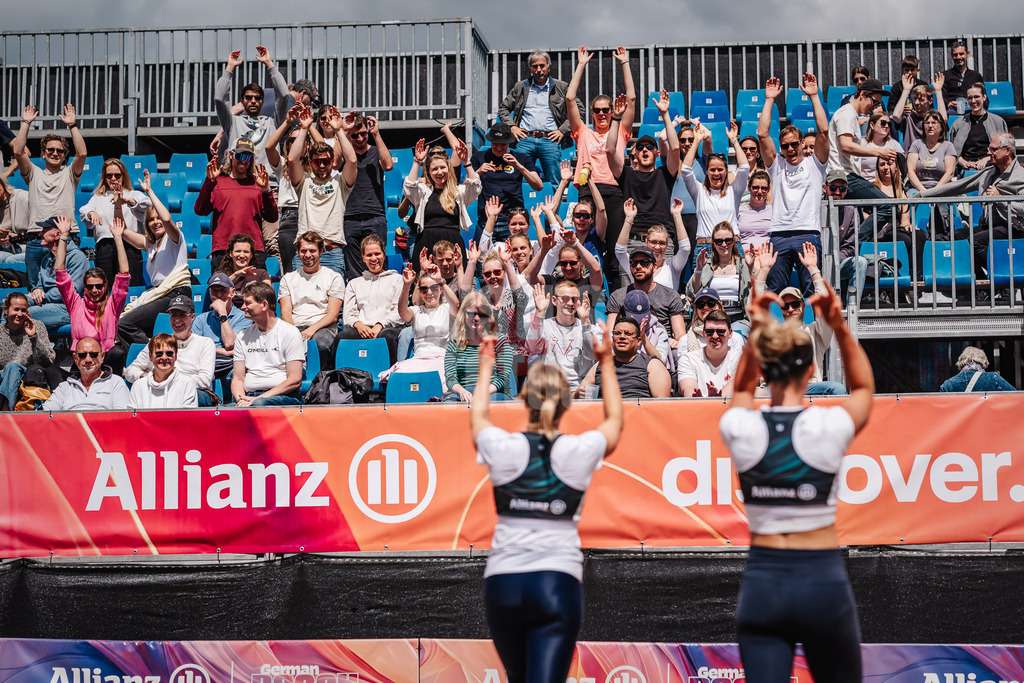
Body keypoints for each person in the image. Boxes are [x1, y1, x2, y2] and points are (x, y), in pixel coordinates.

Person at [720, 282, 874, 683]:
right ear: (811, 371)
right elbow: (863, 390)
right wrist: (838, 325)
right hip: (821, 580)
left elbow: (739, 389)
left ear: (763, 370)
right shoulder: (828, 424)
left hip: (763, 585)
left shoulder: (740, 425)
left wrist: (757, 328)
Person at [471, 319, 622, 683]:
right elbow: (615, 421)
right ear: (567, 401)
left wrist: (487, 366)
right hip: (556, 583)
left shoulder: (502, 446)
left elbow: (477, 416)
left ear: (524, 398)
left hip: (504, 582)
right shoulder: (578, 449)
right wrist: (605, 362)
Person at [565, 46, 636, 285]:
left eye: (607, 110)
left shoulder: (620, 129)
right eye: (598, 110)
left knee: (615, 250)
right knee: (585, 249)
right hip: (587, 193)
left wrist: (625, 63)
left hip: (614, 192)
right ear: (592, 113)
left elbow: (632, 99)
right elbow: (569, 98)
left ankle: (615, 298)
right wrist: (581, 65)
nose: (603, 114)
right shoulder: (583, 132)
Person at [758, 74, 829, 296]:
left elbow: (824, 132)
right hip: (779, 233)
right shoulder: (776, 165)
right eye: (785, 146)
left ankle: (813, 331)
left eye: (794, 144)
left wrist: (815, 96)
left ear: (801, 143)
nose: (790, 149)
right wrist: (770, 99)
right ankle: (772, 331)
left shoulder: (815, 164)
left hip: (807, 232)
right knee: (774, 291)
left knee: (812, 290)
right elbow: (762, 134)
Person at [919, 133, 1024, 277]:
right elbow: (959, 186)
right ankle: (983, 283)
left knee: (975, 242)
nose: (989, 153)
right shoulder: (988, 173)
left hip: (1012, 227)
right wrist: (923, 195)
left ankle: (1002, 278)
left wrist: (1000, 199)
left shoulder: (1020, 176)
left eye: (993, 149)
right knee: (955, 237)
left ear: (1007, 150)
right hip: (988, 225)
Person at [11, 104, 87, 290]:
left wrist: (72, 126)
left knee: (64, 288)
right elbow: (18, 152)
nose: (55, 153)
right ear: (43, 154)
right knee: (35, 290)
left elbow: (82, 153)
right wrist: (26, 123)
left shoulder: (70, 174)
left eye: (59, 151)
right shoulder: (33, 173)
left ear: (64, 156)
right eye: (50, 150)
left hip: (67, 237)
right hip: (37, 239)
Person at [117, 171, 192, 346]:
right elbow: (121, 230)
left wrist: (149, 191)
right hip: (160, 294)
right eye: (151, 220)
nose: (156, 222)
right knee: (124, 322)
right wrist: (118, 205)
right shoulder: (150, 244)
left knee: (126, 324)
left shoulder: (174, 238)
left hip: (176, 293)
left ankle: (149, 357)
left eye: (158, 218)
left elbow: (167, 218)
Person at [827, 78, 901, 246]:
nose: (875, 107)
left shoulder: (850, 115)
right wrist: (878, 152)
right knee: (888, 207)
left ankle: (852, 248)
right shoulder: (846, 114)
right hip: (844, 176)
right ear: (862, 95)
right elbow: (846, 145)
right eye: (874, 102)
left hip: (847, 175)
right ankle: (854, 245)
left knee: (856, 221)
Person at [608, 91, 681, 259]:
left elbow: (675, 148)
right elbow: (610, 150)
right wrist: (616, 119)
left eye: (649, 147)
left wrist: (665, 114)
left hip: (661, 241)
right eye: (640, 148)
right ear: (635, 155)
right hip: (633, 241)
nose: (645, 150)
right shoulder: (627, 175)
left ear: (656, 153)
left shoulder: (665, 174)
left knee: (664, 286)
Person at [288, 105, 359, 277]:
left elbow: (352, 160)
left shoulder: (340, 182)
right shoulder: (303, 182)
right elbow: (292, 159)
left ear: (332, 161)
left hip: (332, 253)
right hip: (305, 252)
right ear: (311, 163)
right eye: (316, 162)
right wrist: (305, 128)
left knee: (334, 302)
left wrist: (339, 130)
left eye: (325, 161)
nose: (321, 165)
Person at [54, 213, 130, 372]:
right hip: (82, 360)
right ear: (84, 287)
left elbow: (123, 273)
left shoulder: (113, 304)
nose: (94, 290)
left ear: (105, 286)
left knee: (117, 352)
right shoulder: (76, 304)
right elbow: (60, 271)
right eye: (90, 287)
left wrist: (117, 238)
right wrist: (64, 237)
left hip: (105, 360)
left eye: (98, 286)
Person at [497, 49, 584, 184]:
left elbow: (579, 110)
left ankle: (556, 205)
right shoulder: (521, 87)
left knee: (554, 180)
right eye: (535, 66)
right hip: (525, 140)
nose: (539, 69)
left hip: (550, 139)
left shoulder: (561, 87)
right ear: (530, 68)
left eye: (542, 66)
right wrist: (512, 127)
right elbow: (503, 108)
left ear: (549, 67)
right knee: (520, 180)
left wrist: (563, 130)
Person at [196, 138, 279, 270]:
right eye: (240, 155)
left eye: (248, 157)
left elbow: (272, 217)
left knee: (256, 290)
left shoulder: (257, 184)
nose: (243, 161)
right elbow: (200, 210)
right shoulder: (218, 183)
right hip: (223, 249)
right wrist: (209, 181)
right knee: (223, 290)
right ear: (231, 155)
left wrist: (266, 190)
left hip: (253, 250)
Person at [124, 294, 216, 402]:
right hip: (160, 390)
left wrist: (167, 382)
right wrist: (144, 376)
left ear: (192, 317)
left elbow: (204, 380)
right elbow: (130, 371)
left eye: (182, 315)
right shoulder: (158, 343)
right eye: (173, 315)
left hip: (193, 391)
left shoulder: (205, 343)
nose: (177, 320)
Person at [403, 138, 481, 267]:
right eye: (434, 169)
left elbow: (475, 187)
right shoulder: (423, 192)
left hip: (453, 244)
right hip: (426, 244)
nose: (439, 172)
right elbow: (409, 187)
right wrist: (417, 161)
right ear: (429, 172)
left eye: (443, 168)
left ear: (449, 169)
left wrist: (466, 161)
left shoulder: (458, 192)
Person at [383, 261, 459, 387]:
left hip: (442, 358)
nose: (429, 292)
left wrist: (441, 281)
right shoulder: (416, 310)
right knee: (402, 377)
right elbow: (402, 312)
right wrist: (407, 285)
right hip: (419, 358)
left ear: (439, 289)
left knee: (438, 379)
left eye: (434, 288)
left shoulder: (446, 308)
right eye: (424, 289)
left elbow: (456, 305)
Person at [680, 120, 748, 258]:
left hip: (731, 245)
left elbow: (745, 167)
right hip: (705, 247)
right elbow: (686, 170)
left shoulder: (734, 191)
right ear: (706, 172)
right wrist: (696, 142)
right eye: (712, 170)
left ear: (726, 171)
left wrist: (734, 141)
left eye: (720, 169)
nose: (716, 173)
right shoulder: (699, 191)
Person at [214, 46, 289, 170]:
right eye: (248, 98)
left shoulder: (272, 123)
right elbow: (219, 99)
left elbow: (284, 95)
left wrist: (270, 64)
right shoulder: (232, 123)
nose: (253, 101)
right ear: (242, 101)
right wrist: (229, 68)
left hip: (268, 183)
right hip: (241, 182)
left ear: (262, 101)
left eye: (257, 97)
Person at [231, 281, 305, 407]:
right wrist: (241, 400)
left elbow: (295, 380)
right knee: (218, 412)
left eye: (248, 303)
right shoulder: (242, 337)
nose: (243, 307)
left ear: (264, 305)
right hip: (251, 397)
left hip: (283, 396)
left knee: (259, 404)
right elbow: (238, 379)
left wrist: (258, 399)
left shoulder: (290, 332)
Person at [280, 230, 345, 368]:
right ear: (298, 252)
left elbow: (333, 315)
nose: (308, 255)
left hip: (322, 328)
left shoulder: (333, 277)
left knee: (320, 344)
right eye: (303, 251)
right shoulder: (288, 278)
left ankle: (317, 380)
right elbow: (285, 311)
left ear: (321, 252)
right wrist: (293, 333)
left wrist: (311, 330)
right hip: (295, 326)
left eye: (312, 251)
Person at [336, 234, 405, 364]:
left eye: (377, 254)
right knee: (341, 337)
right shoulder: (354, 283)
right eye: (369, 255)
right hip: (362, 327)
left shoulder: (397, 279)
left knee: (388, 336)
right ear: (363, 257)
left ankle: (390, 374)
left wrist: (380, 325)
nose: (374, 258)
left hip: (388, 327)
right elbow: (348, 315)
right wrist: (359, 325)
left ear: (384, 254)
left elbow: (398, 312)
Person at [470, 122, 544, 243]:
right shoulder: (479, 157)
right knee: (481, 259)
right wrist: (478, 172)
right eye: (495, 144)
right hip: (487, 219)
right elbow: (466, 185)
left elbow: (539, 186)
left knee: (515, 259)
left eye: (503, 144)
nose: (499, 148)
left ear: (509, 143)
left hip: (513, 221)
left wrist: (519, 167)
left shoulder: (521, 158)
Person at [79, 158, 148, 285]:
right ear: (104, 178)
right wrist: (91, 213)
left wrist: (127, 201)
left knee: (131, 285)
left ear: (123, 176)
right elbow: (83, 210)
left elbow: (147, 205)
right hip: (106, 247)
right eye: (109, 175)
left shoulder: (133, 194)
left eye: (117, 175)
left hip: (130, 246)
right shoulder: (98, 198)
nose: (113, 178)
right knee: (107, 287)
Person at [340, 112, 394, 277]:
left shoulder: (375, 151)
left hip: (374, 215)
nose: (360, 138)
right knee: (354, 269)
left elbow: (388, 165)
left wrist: (376, 134)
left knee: (378, 264)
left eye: (363, 133)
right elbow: (334, 163)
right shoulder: (345, 152)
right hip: (350, 216)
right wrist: (341, 131)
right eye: (355, 135)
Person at [605, 245, 686, 349]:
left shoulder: (670, 296)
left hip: (660, 345)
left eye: (644, 263)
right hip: (627, 346)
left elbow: (680, 335)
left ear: (655, 266)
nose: (638, 266)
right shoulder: (618, 296)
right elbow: (609, 332)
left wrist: (675, 341)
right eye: (634, 263)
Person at [525, 280, 598, 390]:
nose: (570, 303)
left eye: (575, 299)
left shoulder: (586, 327)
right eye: (565, 299)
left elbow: (593, 355)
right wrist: (539, 312)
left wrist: (585, 321)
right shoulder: (544, 325)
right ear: (554, 300)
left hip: (579, 386)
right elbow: (532, 347)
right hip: (551, 386)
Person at [576, 316, 670, 399]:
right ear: (612, 338)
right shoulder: (600, 365)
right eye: (617, 333)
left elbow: (661, 405)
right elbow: (579, 393)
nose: (622, 336)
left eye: (628, 333)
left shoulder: (652, 365)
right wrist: (578, 394)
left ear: (639, 341)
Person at [687, 221, 754, 336]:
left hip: (738, 317)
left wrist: (751, 268)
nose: (724, 244)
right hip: (711, 315)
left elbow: (758, 291)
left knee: (735, 335)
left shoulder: (743, 264)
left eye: (728, 240)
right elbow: (693, 293)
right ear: (713, 243)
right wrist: (698, 269)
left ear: (733, 242)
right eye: (719, 241)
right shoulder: (707, 265)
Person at [465, 244, 531, 361]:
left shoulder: (514, 298)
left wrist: (507, 263)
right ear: (484, 277)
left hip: (515, 356)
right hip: (488, 357)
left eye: (497, 272)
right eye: (487, 274)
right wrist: (472, 262)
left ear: (504, 272)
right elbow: (464, 294)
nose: (493, 276)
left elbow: (520, 295)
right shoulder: (481, 300)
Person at [444, 292, 514, 402]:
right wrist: (462, 391)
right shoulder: (455, 343)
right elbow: (451, 378)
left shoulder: (499, 341)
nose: (476, 318)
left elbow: (502, 378)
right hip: (463, 392)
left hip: (493, 392)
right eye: (471, 314)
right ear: (464, 314)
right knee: (448, 406)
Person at [614, 198, 692, 291]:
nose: (657, 247)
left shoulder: (672, 266)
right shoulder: (637, 266)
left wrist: (676, 215)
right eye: (653, 242)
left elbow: (685, 248)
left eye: (662, 243)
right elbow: (620, 251)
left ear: (667, 245)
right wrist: (629, 218)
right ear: (646, 242)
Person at [27, 215, 89, 333]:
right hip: (47, 303)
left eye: (45, 230)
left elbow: (72, 292)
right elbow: (40, 284)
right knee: (10, 304)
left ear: (57, 235)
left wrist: (43, 297)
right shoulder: (46, 259)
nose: (40, 234)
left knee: (16, 314)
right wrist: (37, 290)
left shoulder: (77, 258)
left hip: (67, 308)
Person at [0, 291, 60, 409]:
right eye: (16, 309)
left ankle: (5, 411)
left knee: (13, 367)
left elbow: (47, 362)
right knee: (11, 369)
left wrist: (33, 337)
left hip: (30, 378)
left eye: (24, 310)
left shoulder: (37, 326)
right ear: (6, 310)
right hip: (4, 378)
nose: (20, 314)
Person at [819, 171, 868, 306]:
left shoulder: (851, 211)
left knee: (861, 262)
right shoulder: (815, 207)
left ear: (846, 190)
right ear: (825, 188)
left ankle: (852, 313)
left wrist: (833, 261)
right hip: (816, 263)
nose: (837, 192)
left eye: (842, 188)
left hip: (838, 262)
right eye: (833, 188)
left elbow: (851, 246)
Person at [42, 337, 130, 411]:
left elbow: (121, 416)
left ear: (102, 357)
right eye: (82, 355)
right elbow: (44, 413)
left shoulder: (115, 383)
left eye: (93, 355)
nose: (88, 360)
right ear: (75, 358)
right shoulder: (65, 387)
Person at [193, 272, 252, 382]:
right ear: (210, 295)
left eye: (223, 291)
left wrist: (222, 314)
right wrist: (222, 351)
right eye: (215, 291)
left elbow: (230, 344)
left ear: (233, 293)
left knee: (240, 374)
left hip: (229, 366)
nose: (219, 295)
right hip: (204, 365)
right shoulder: (201, 319)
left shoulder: (244, 318)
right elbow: (194, 348)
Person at [677, 310, 741, 397]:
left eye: (721, 331)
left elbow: (736, 384)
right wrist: (695, 398)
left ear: (730, 333)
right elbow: (688, 387)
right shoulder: (688, 359)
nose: (715, 336)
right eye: (710, 332)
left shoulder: (741, 359)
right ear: (703, 333)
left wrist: (715, 399)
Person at [128, 334, 200, 409]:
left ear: (175, 356)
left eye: (169, 354)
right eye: (159, 354)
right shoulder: (138, 386)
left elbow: (189, 419)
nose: (164, 358)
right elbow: (132, 418)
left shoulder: (187, 384)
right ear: (150, 357)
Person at [949, 83, 1008, 172]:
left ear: (984, 97)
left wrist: (987, 159)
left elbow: (1005, 150)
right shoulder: (958, 124)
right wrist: (964, 162)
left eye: (976, 97)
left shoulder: (998, 122)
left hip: (991, 165)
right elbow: (952, 152)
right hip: (967, 167)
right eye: (970, 98)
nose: (973, 101)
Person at [890, 74, 947, 151]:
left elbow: (943, 119)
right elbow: (896, 116)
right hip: (910, 159)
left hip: (929, 160)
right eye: (915, 99)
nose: (916, 102)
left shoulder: (932, 120)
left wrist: (938, 91)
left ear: (930, 101)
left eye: (921, 100)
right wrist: (906, 90)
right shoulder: (908, 118)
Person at [217, 233, 272, 309]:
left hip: (254, 315)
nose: (242, 255)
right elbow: (217, 290)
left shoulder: (261, 274)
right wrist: (236, 275)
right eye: (238, 251)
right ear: (230, 253)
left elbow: (269, 296)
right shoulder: (220, 275)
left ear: (251, 255)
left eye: (246, 252)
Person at [907, 111, 957, 193]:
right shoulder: (916, 144)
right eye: (927, 123)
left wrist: (934, 191)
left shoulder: (948, 146)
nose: (930, 126)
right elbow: (910, 172)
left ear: (941, 127)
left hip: (941, 188)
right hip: (917, 188)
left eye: (934, 123)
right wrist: (923, 191)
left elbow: (949, 173)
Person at [940, 346, 1015, 392]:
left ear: (960, 361)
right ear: (984, 361)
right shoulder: (993, 378)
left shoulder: (948, 384)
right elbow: (1016, 397)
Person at [858, 111, 904, 183]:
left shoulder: (894, 145)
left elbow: (902, 168)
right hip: (866, 185)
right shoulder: (861, 144)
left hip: (888, 185)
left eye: (889, 124)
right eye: (883, 123)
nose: (886, 126)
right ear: (872, 125)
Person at [941, 41, 986, 114]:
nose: (958, 57)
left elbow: (985, 100)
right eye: (955, 55)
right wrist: (949, 104)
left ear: (967, 54)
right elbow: (942, 97)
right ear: (952, 56)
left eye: (961, 54)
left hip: (972, 109)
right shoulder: (945, 76)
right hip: (953, 110)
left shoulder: (976, 76)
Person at [736, 171, 773, 254]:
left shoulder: (773, 211)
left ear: (768, 190)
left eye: (764, 188)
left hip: (766, 256)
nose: (759, 191)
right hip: (745, 255)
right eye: (755, 187)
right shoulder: (739, 210)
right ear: (749, 188)